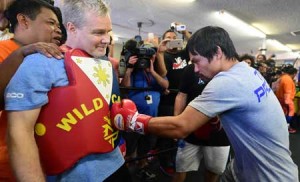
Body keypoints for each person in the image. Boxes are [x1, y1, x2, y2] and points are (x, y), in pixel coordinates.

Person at [111, 26, 299, 181]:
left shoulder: (225, 82)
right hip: (244, 168)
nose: (196, 69)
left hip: (269, 176)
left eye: (197, 61)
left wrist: (134, 121)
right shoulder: (247, 71)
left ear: (217, 52)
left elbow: (180, 127)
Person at [5, 0, 131, 181]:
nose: (107, 39)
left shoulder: (105, 64)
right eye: (98, 32)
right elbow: (19, 131)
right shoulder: (41, 63)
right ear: (71, 28)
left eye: (108, 32)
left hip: (116, 164)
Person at [0, 0, 63, 181]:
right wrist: (20, 54)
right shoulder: (3, 51)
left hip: (49, 162)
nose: (58, 30)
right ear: (24, 21)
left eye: (59, 25)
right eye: (51, 23)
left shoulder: (53, 56)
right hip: (10, 166)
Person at [172, 64, 230, 182]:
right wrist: (176, 122)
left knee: (213, 171)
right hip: (191, 128)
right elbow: (181, 95)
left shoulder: (228, 69)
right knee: (181, 168)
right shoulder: (191, 68)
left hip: (219, 132)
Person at [120, 39, 169, 181]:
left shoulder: (157, 72)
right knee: (130, 147)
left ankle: (142, 169)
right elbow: (126, 88)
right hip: (133, 118)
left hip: (151, 119)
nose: (145, 60)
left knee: (146, 147)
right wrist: (129, 69)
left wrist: (152, 71)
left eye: (149, 56)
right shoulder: (134, 71)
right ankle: (127, 172)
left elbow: (165, 84)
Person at [156, 23, 191, 175]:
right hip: (168, 99)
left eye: (174, 38)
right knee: (168, 133)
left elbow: (194, 43)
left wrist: (184, 31)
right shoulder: (163, 55)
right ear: (163, 41)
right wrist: (160, 54)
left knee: (179, 132)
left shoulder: (183, 54)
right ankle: (164, 160)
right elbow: (163, 73)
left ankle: (173, 157)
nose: (171, 40)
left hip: (183, 98)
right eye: (168, 38)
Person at [275, 65, 298, 134]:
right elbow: (287, 91)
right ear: (294, 73)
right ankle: (287, 127)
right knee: (290, 112)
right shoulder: (287, 79)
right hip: (286, 100)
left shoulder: (283, 77)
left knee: (283, 113)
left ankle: (283, 127)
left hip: (280, 99)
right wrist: (288, 102)